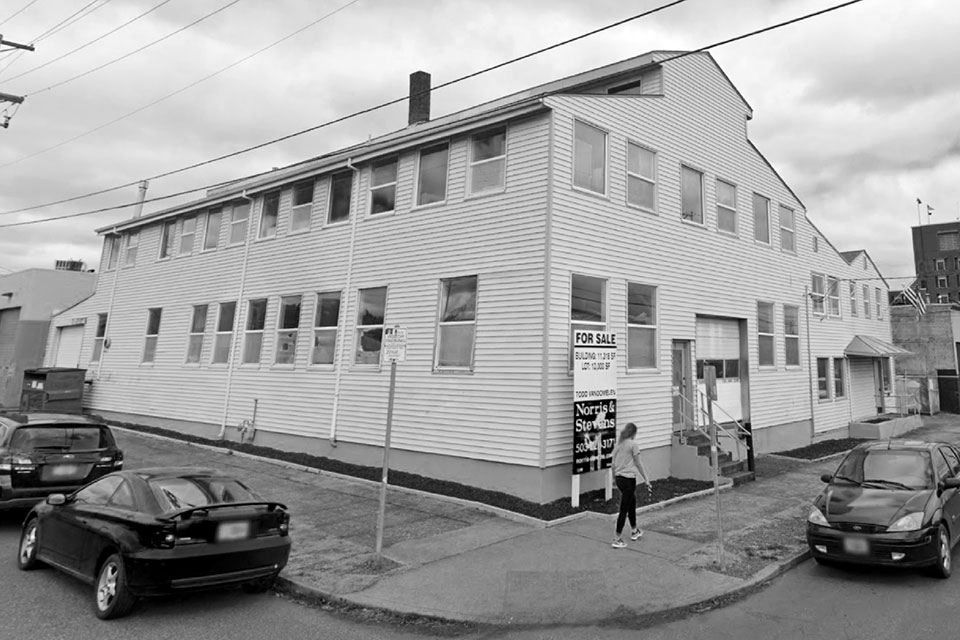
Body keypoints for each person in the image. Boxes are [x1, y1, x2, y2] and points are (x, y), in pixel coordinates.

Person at [610, 422, 652, 549]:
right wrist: (646, 479)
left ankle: (634, 531)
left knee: (631, 503)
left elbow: (613, 464)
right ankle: (617, 538)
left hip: (619, 478)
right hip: (629, 479)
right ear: (633, 433)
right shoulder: (633, 445)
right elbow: (638, 463)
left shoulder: (618, 445)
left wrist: (613, 479)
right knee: (624, 508)